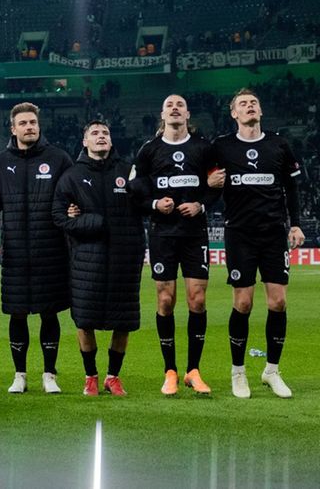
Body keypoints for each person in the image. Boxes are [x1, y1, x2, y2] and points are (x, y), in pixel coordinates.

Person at [208, 88, 305, 398]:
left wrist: (297, 224)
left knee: (278, 302)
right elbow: (207, 181)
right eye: (243, 104)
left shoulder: (279, 144)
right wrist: (209, 185)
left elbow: (292, 189)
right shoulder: (221, 147)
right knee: (243, 303)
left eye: (254, 103)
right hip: (239, 233)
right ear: (234, 114)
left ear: (260, 112)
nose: (249, 107)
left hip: (274, 232)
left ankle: (271, 371)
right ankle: (238, 372)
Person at [129, 94, 215, 396]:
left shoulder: (203, 148)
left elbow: (218, 186)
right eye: (169, 105)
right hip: (162, 234)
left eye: (180, 105)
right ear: (162, 114)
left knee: (197, 300)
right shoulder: (149, 150)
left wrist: (200, 206)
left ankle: (194, 370)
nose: (175, 108)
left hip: (194, 234)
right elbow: (134, 191)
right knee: (165, 300)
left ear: (188, 113)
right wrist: (155, 203)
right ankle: (170, 371)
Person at [53, 121, 145, 396]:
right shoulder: (72, 176)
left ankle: (113, 376)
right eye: (95, 133)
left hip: (125, 256)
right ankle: (91, 376)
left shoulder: (128, 171)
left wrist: (141, 193)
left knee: (124, 320)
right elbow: (58, 216)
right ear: (85, 142)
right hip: (87, 258)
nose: (101, 136)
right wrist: (86, 222)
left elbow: (145, 202)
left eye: (105, 133)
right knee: (85, 319)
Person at [0, 102, 72, 394]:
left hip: (51, 250)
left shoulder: (59, 158)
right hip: (15, 252)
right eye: (23, 123)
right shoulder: (0, 162)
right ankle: (20, 375)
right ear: (13, 128)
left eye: (33, 123)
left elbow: (74, 192)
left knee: (50, 313)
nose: (29, 127)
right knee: (17, 313)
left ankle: (50, 374)